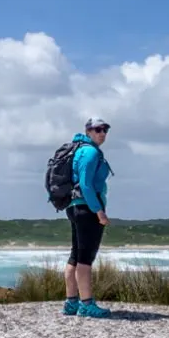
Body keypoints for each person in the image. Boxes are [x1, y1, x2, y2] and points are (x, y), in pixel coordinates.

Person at [62, 117, 113, 318]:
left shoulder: (79, 150)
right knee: (85, 259)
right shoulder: (90, 152)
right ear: (88, 131)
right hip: (86, 209)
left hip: (74, 207)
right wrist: (99, 211)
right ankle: (86, 304)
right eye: (98, 129)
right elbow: (86, 185)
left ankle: (71, 302)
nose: (102, 133)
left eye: (105, 129)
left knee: (75, 255)